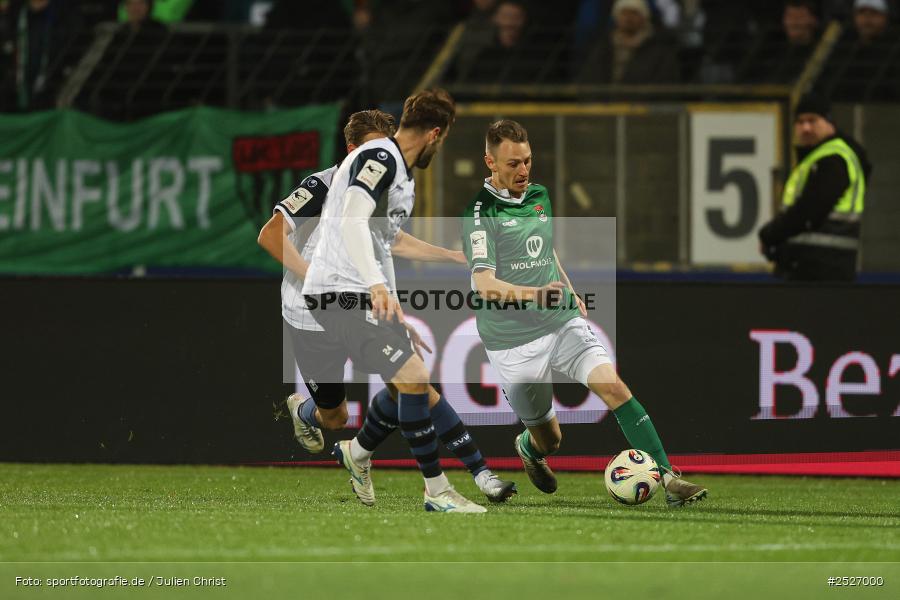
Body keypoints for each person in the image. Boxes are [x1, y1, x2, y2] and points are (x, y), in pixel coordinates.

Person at [257, 108, 516, 506]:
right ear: (351, 149)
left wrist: (450, 256)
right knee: (335, 418)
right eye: (375, 149)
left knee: (413, 383)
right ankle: (320, 422)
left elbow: (393, 243)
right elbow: (270, 235)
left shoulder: (381, 189)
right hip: (308, 315)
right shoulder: (324, 184)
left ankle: (475, 475)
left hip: (354, 307)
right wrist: (316, 276)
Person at [461, 119, 708, 507]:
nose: (523, 171)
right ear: (489, 161)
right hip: (511, 340)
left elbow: (546, 249)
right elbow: (484, 284)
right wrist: (535, 294)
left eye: (527, 161)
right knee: (551, 439)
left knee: (613, 386)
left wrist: (569, 289)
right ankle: (530, 447)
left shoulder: (540, 195)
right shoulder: (480, 214)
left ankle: (670, 478)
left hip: (560, 320)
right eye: (512, 164)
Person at [758, 94, 871, 281]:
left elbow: (810, 210)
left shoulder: (834, 159)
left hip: (822, 271)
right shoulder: (816, 159)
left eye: (812, 120)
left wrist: (770, 235)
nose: (806, 128)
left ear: (829, 122)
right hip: (815, 267)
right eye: (800, 122)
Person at [577, 0, 680, 85]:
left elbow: (664, 86)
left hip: (643, 108)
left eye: (634, 13)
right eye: (624, 13)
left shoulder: (660, 51)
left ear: (644, 17)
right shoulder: (603, 47)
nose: (628, 18)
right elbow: (588, 80)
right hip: (604, 108)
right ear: (616, 17)